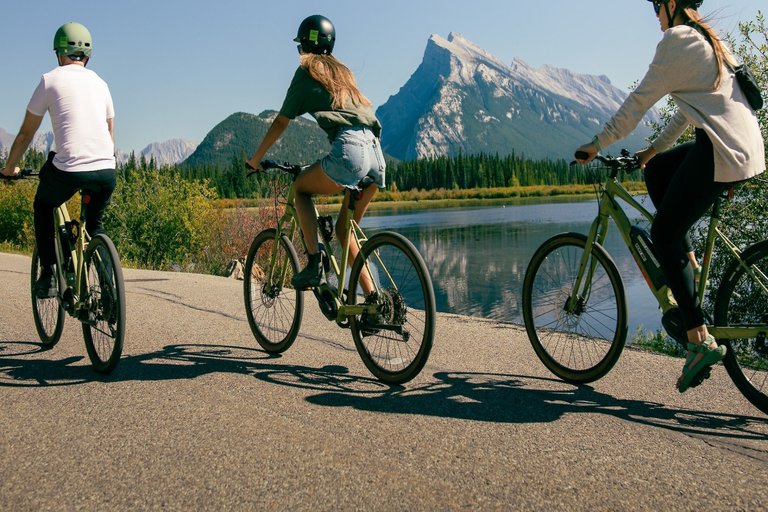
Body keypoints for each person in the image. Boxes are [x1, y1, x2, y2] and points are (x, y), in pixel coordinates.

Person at [575, 0, 765, 392]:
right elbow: (687, 112)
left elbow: (637, 103)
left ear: (672, 5)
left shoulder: (677, 39)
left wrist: (598, 142)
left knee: (662, 234)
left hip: (722, 148)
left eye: (657, 8)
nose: (656, 16)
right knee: (659, 172)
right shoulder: (708, 40)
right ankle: (688, 263)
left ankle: (699, 341)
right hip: (734, 144)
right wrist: (650, 153)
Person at [246, 15, 386, 292]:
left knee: (300, 188)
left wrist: (255, 159)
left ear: (305, 46)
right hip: (375, 153)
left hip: (351, 151)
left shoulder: (307, 71)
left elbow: (280, 122)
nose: (299, 51)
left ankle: (313, 263)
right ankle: (374, 300)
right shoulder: (343, 72)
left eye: (300, 46)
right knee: (346, 232)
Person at [1, 22, 117, 299]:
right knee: (95, 227)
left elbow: (26, 133)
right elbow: (110, 133)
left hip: (68, 170)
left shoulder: (50, 80)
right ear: (88, 55)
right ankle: (110, 294)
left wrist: (8, 170)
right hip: (106, 170)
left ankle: (50, 273)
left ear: (58, 53)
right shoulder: (101, 84)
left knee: (43, 204)